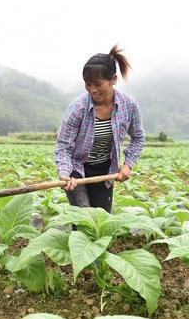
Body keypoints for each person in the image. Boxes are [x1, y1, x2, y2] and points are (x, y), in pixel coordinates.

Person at [54, 44, 145, 213]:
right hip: (77, 168)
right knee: (83, 219)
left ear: (113, 80)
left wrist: (128, 165)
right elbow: (63, 146)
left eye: (97, 84)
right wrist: (65, 173)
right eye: (88, 84)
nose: (92, 90)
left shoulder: (128, 105)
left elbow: (138, 137)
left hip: (105, 170)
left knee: (101, 219)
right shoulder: (78, 108)